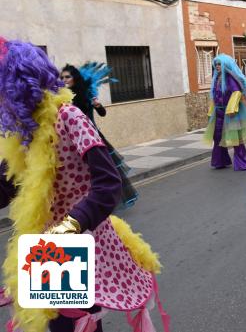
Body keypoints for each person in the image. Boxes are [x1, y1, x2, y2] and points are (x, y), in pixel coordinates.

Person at [0, 39, 168, 332]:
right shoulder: (22, 134)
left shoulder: (69, 117)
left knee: (76, 324)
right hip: (44, 245)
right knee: (59, 326)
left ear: (17, 83)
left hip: (77, 236)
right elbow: (7, 188)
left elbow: (108, 184)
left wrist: (68, 227)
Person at [61, 63, 139, 208]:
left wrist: (97, 105)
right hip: (72, 140)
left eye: (67, 77)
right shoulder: (62, 98)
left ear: (74, 78)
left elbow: (102, 113)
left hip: (92, 137)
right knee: (81, 172)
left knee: (103, 170)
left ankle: (107, 199)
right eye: (62, 77)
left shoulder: (85, 93)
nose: (64, 80)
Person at [204, 54, 246, 170]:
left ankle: (242, 163)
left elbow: (236, 92)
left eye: (219, 64)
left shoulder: (230, 78)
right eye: (216, 64)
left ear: (226, 65)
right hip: (218, 112)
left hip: (231, 113)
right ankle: (221, 161)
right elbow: (215, 96)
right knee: (217, 137)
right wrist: (211, 110)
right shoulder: (217, 78)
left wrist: (231, 108)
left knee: (235, 139)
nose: (217, 66)